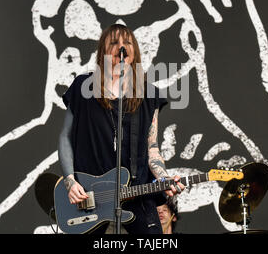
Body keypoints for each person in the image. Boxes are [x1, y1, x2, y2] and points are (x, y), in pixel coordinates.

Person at [58, 24, 185, 234]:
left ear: (133, 50)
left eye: (126, 43)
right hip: (91, 195)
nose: (121, 47)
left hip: (136, 191)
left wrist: (163, 177)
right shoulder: (83, 88)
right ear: (103, 52)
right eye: (114, 43)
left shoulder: (148, 94)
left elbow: (151, 146)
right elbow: (65, 137)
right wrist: (70, 181)